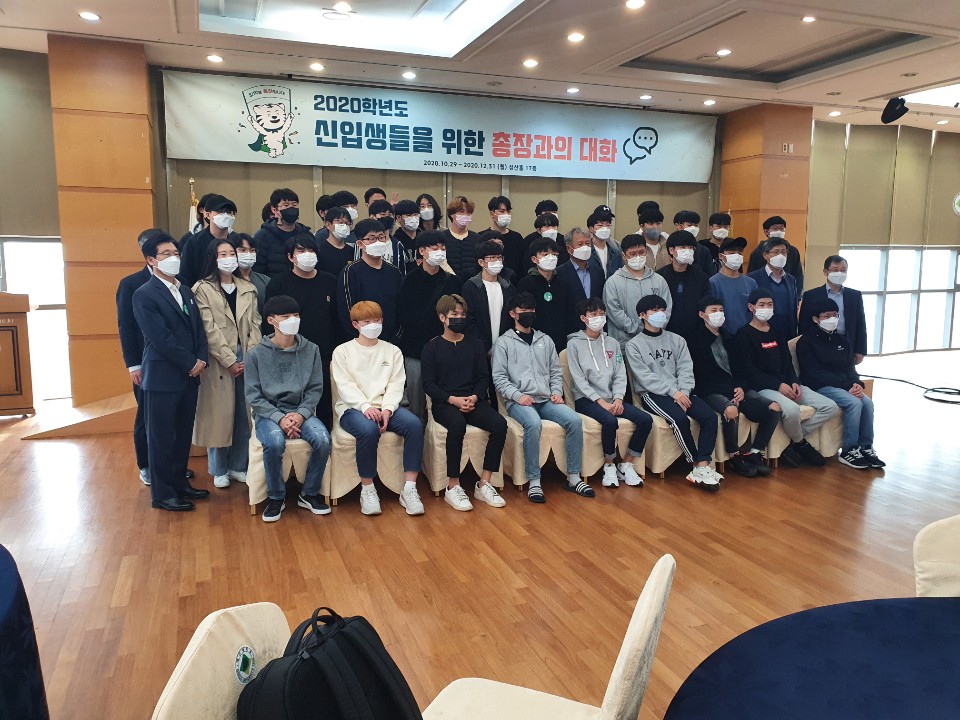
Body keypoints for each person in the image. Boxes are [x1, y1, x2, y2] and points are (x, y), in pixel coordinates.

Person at [131, 230, 210, 511]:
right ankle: (163, 494)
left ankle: (179, 483)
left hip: (190, 376)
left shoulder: (184, 289)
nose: (173, 258)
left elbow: (198, 329)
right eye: (166, 254)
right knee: (161, 437)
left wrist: (201, 358)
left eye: (176, 253)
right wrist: (190, 363)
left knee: (182, 434)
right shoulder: (144, 294)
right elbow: (160, 338)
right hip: (163, 377)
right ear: (151, 260)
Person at [492, 292, 591, 503]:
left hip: (546, 400)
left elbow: (555, 371)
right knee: (533, 423)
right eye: (523, 310)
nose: (528, 314)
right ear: (512, 314)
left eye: (531, 310)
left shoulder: (545, 340)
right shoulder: (503, 343)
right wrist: (518, 396)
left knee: (574, 420)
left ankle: (574, 477)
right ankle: (534, 481)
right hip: (518, 402)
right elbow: (499, 378)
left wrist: (556, 392)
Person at [331, 301, 426, 516]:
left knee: (414, 425)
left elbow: (396, 383)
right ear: (356, 324)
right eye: (367, 321)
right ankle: (368, 489)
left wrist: (388, 409)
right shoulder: (342, 351)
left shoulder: (392, 351)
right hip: (353, 409)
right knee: (368, 430)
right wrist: (365, 406)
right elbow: (345, 385)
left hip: (386, 407)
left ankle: (409, 489)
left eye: (377, 320)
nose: (373, 325)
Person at [245, 295, 332, 522]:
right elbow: (253, 395)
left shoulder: (311, 349)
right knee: (274, 442)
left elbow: (315, 389)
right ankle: (276, 497)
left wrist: (300, 415)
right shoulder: (255, 354)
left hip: (301, 410)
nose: (293, 320)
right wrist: (279, 418)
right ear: (271, 320)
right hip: (268, 414)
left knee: (323, 439)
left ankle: (309, 493)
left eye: (296, 315)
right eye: (285, 316)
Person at [733, 288, 839, 467]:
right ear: (751, 307)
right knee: (792, 410)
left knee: (830, 407)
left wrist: (794, 382)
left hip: (788, 383)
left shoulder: (777, 331)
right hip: (764, 388)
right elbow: (749, 371)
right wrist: (778, 385)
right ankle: (800, 443)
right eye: (762, 305)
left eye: (770, 305)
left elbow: (788, 363)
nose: (766, 308)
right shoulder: (743, 334)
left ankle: (790, 441)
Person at [625, 294, 721, 491]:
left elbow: (686, 368)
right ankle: (695, 464)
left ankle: (703, 464)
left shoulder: (677, 340)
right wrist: (673, 393)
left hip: (681, 391)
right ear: (642, 315)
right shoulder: (634, 345)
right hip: (653, 394)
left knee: (710, 417)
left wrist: (683, 391)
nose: (660, 314)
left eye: (662, 310)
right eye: (654, 310)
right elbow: (645, 377)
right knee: (679, 419)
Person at [422, 295, 508, 511]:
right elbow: (428, 384)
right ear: (442, 317)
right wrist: (452, 400)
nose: (459, 318)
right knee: (457, 424)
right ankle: (453, 485)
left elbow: (483, 378)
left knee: (499, 424)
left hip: (473, 400)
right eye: (454, 314)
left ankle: (484, 482)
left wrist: (475, 397)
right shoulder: (431, 347)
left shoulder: (476, 344)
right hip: (445, 403)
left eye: (462, 314)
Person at [192, 236, 262, 489]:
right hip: (218, 360)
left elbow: (255, 324)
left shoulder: (248, 288)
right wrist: (230, 360)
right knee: (219, 414)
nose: (229, 258)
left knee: (244, 414)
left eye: (232, 253)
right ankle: (219, 468)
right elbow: (208, 329)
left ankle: (238, 465)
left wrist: (251, 357)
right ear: (213, 258)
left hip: (247, 356)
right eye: (223, 254)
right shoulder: (202, 289)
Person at [688, 295, 777, 478]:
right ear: (702, 314)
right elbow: (700, 376)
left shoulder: (730, 337)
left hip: (736, 388)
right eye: (714, 310)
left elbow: (742, 368)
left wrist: (740, 387)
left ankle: (755, 452)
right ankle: (734, 456)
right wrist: (730, 392)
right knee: (731, 410)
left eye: (721, 310)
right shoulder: (694, 340)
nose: (719, 314)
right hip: (710, 391)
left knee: (773, 408)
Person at [567, 298, 651, 488]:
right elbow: (579, 380)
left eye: (602, 314)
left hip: (612, 398)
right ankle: (609, 464)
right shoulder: (574, 344)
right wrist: (601, 402)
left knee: (645, 420)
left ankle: (626, 463)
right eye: (593, 314)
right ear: (583, 318)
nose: (599, 318)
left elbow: (620, 374)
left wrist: (618, 398)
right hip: (586, 399)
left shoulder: (612, 342)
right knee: (610, 421)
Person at [796, 298, 884, 469]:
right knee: (854, 403)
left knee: (867, 403)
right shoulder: (806, 341)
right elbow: (815, 372)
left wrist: (857, 383)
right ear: (816, 319)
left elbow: (849, 367)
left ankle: (866, 446)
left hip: (844, 385)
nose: (832, 319)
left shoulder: (842, 340)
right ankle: (849, 450)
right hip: (819, 386)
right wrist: (846, 386)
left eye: (835, 315)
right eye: (826, 316)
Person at [264, 232, 340, 426]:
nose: (308, 254)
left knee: (325, 404)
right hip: (289, 354)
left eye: (311, 250)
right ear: (290, 257)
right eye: (301, 251)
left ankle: (324, 438)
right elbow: (269, 324)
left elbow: (338, 319)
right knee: (289, 403)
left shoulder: (330, 281)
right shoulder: (278, 284)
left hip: (324, 354)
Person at [397, 231, 462, 421]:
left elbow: (458, 315)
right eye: (435, 248)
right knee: (416, 402)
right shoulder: (409, 281)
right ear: (422, 251)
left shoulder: (453, 281)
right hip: (415, 349)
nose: (440, 252)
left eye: (443, 248)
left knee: (445, 398)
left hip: (445, 348)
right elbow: (404, 315)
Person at [116, 229, 157, 487]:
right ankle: (146, 465)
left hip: (172, 364)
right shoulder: (131, 284)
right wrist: (133, 365)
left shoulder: (178, 282)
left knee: (169, 418)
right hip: (144, 362)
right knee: (145, 416)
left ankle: (168, 465)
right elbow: (126, 327)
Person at [461, 240, 517, 402]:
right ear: (481, 262)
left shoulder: (508, 287)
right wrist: (485, 348)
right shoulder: (471, 287)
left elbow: (512, 318)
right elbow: (469, 319)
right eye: (492, 258)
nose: (496, 262)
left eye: (499, 258)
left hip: (505, 348)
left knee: (502, 391)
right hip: (480, 348)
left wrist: (502, 347)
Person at [337, 219, 404, 344]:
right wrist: (361, 339)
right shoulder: (350, 272)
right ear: (360, 244)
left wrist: (396, 337)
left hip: (391, 342)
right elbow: (347, 312)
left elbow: (401, 308)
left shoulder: (394, 272)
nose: (377, 242)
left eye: (381, 237)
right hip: (362, 342)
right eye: (372, 239)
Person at [602, 234, 672, 345]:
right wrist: (639, 330)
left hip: (654, 342)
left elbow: (667, 308)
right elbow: (614, 312)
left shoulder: (659, 280)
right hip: (623, 343)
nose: (638, 257)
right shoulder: (613, 282)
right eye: (633, 254)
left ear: (646, 252)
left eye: (641, 252)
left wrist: (654, 328)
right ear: (624, 255)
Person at [799, 255, 868, 364]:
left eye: (843, 270)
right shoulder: (811, 295)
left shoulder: (854, 296)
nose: (840, 273)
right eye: (835, 270)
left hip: (846, 344)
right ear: (825, 272)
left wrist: (861, 350)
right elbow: (804, 324)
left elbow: (860, 324)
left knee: (847, 372)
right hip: (819, 345)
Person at [517, 237, 576, 351]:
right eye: (545, 254)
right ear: (534, 259)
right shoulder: (526, 284)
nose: (551, 258)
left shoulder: (563, 284)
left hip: (560, 342)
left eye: (554, 254)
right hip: (534, 342)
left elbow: (570, 314)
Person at [657, 230, 711, 341]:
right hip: (667, 333)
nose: (688, 251)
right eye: (683, 247)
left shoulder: (701, 276)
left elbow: (705, 304)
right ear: (671, 250)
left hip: (695, 334)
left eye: (691, 248)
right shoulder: (660, 276)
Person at [748, 236, 800, 340]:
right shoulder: (752, 278)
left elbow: (794, 307)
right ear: (765, 255)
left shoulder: (791, 279)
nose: (780, 256)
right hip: (763, 329)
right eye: (776, 252)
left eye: (783, 252)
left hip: (787, 330)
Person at [252, 189, 313, 278]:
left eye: (294, 205)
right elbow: (258, 270)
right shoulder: (262, 236)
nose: (291, 208)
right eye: (286, 205)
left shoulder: (306, 235)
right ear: (274, 210)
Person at [179, 194, 237, 287]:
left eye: (229, 212)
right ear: (207, 215)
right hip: (201, 292)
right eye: (220, 211)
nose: (225, 215)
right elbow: (186, 276)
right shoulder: (194, 242)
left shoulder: (237, 241)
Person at [708, 236, 757, 334]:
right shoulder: (713, 282)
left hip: (748, 335)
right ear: (721, 256)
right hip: (724, 335)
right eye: (731, 253)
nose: (736, 256)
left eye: (740, 253)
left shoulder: (751, 283)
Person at [747, 215, 804, 290]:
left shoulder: (793, 251)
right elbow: (751, 275)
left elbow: (798, 275)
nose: (779, 231)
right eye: (775, 228)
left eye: (781, 228)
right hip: (763, 291)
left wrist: (797, 293)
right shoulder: (758, 252)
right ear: (766, 231)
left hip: (786, 289)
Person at [557, 227, 605, 304]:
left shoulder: (598, 272)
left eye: (587, 243)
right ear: (569, 249)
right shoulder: (559, 273)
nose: (585, 248)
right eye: (580, 244)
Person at [478, 195, 524, 275]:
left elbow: (521, 264)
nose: (506, 214)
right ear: (492, 214)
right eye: (502, 211)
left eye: (508, 211)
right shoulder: (482, 236)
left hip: (512, 279)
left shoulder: (517, 237)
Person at [442, 196, 482, 284]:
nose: (465, 215)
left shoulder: (477, 238)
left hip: (472, 285)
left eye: (468, 212)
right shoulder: (442, 237)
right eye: (462, 211)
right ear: (452, 214)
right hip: (448, 284)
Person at [520, 201, 570, 269]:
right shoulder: (529, 240)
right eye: (547, 226)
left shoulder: (563, 240)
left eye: (553, 226)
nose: (551, 229)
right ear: (539, 230)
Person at [234, 233, 270, 317]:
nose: (248, 254)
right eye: (243, 250)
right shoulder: (227, 280)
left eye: (252, 250)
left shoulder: (265, 281)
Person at [315, 206, 355, 278]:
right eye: (340, 222)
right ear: (328, 224)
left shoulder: (352, 251)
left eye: (347, 223)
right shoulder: (319, 250)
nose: (344, 226)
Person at [672, 210, 714, 275]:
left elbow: (709, 273)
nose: (693, 228)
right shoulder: (671, 246)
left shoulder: (703, 250)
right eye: (689, 225)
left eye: (696, 225)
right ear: (680, 227)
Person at [587, 210, 623, 279]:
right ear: (591, 229)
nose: (605, 228)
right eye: (600, 225)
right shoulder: (586, 252)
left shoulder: (616, 253)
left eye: (607, 225)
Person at [392, 199, 421, 274]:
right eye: (409, 215)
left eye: (416, 215)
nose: (413, 218)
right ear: (399, 218)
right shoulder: (395, 241)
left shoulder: (424, 238)